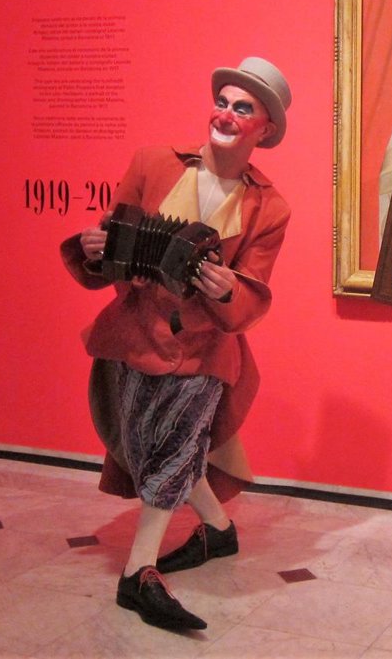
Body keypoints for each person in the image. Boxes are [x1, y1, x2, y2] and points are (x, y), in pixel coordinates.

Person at [60, 57, 292, 631]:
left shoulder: (271, 207)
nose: (226, 115)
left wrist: (226, 287)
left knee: (172, 449)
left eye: (243, 108)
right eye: (222, 102)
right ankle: (219, 531)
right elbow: (112, 243)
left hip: (203, 348)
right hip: (137, 333)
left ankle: (137, 575)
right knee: (148, 447)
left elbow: (254, 291)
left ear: (264, 128)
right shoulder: (152, 162)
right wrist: (95, 247)